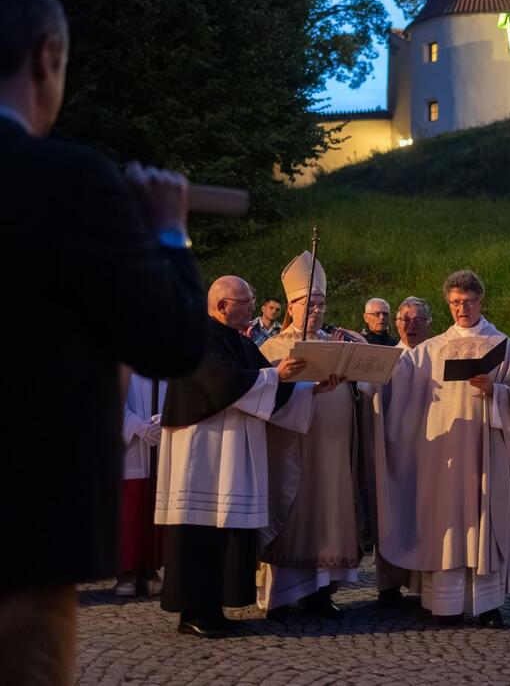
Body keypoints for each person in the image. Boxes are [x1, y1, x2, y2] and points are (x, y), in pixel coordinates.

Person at [0, 0, 206, 683]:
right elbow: (174, 339)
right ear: (47, 54)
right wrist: (170, 235)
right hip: (22, 537)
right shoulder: (70, 181)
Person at [155, 276, 331, 638]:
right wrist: (274, 374)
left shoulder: (238, 340)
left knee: (223, 533)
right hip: (200, 455)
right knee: (199, 533)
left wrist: (311, 388)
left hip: (230, 451)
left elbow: (264, 385)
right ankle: (193, 611)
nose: (253, 308)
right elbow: (222, 382)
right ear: (222, 305)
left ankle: (213, 608)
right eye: (247, 302)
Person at [374, 270, 510, 627]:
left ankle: (488, 605)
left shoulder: (501, 345)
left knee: (483, 521)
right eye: (456, 302)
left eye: (469, 301)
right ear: (449, 304)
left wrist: (496, 390)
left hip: (485, 451)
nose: (462, 308)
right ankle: (444, 605)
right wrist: (365, 370)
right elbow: (396, 383)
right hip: (443, 455)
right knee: (444, 523)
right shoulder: (430, 350)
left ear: (481, 301)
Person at [257, 253, 370, 619]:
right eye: (309, 304)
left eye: (321, 304)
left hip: (334, 446)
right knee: (292, 512)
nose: (317, 311)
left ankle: (321, 592)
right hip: (290, 447)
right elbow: (262, 396)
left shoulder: (339, 342)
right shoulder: (272, 348)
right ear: (291, 306)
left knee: (330, 508)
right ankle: (283, 596)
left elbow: (369, 386)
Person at [370, 295, 434, 608]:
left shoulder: (439, 356)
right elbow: (368, 397)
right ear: (396, 324)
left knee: (428, 517)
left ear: (429, 324)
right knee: (391, 514)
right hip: (392, 452)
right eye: (405, 319)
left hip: (432, 452)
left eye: (417, 319)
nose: (410, 325)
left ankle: (426, 583)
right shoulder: (386, 359)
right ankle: (389, 584)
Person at [115, 372, 168, 598]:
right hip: (131, 450)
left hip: (161, 443)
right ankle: (126, 571)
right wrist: (137, 426)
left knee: (156, 506)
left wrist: (167, 418)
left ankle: (150, 569)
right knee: (130, 510)